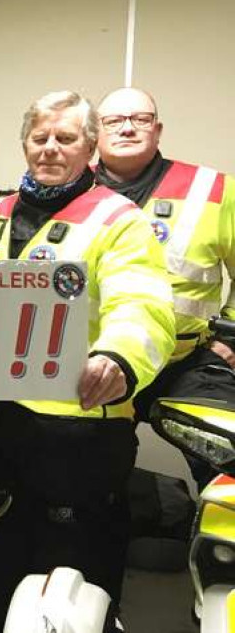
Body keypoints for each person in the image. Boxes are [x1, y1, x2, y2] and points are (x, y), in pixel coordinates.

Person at [0, 90, 175, 631]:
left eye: (66, 138)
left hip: (79, 434)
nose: (51, 149)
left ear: (89, 147)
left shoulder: (119, 218)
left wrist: (118, 356)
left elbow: (142, 304)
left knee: (73, 590)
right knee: (2, 572)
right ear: (25, 145)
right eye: (40, 138)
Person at [95, 87, 235, 487]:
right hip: (99, 363)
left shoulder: (214, 189)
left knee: (226, 464)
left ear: (157, 130)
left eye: (139, 119)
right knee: (89, 480)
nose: (127, 128)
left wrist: (232, 340)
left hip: (185, 359)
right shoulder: (74, 191)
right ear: (96, 133)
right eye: (114, 121)